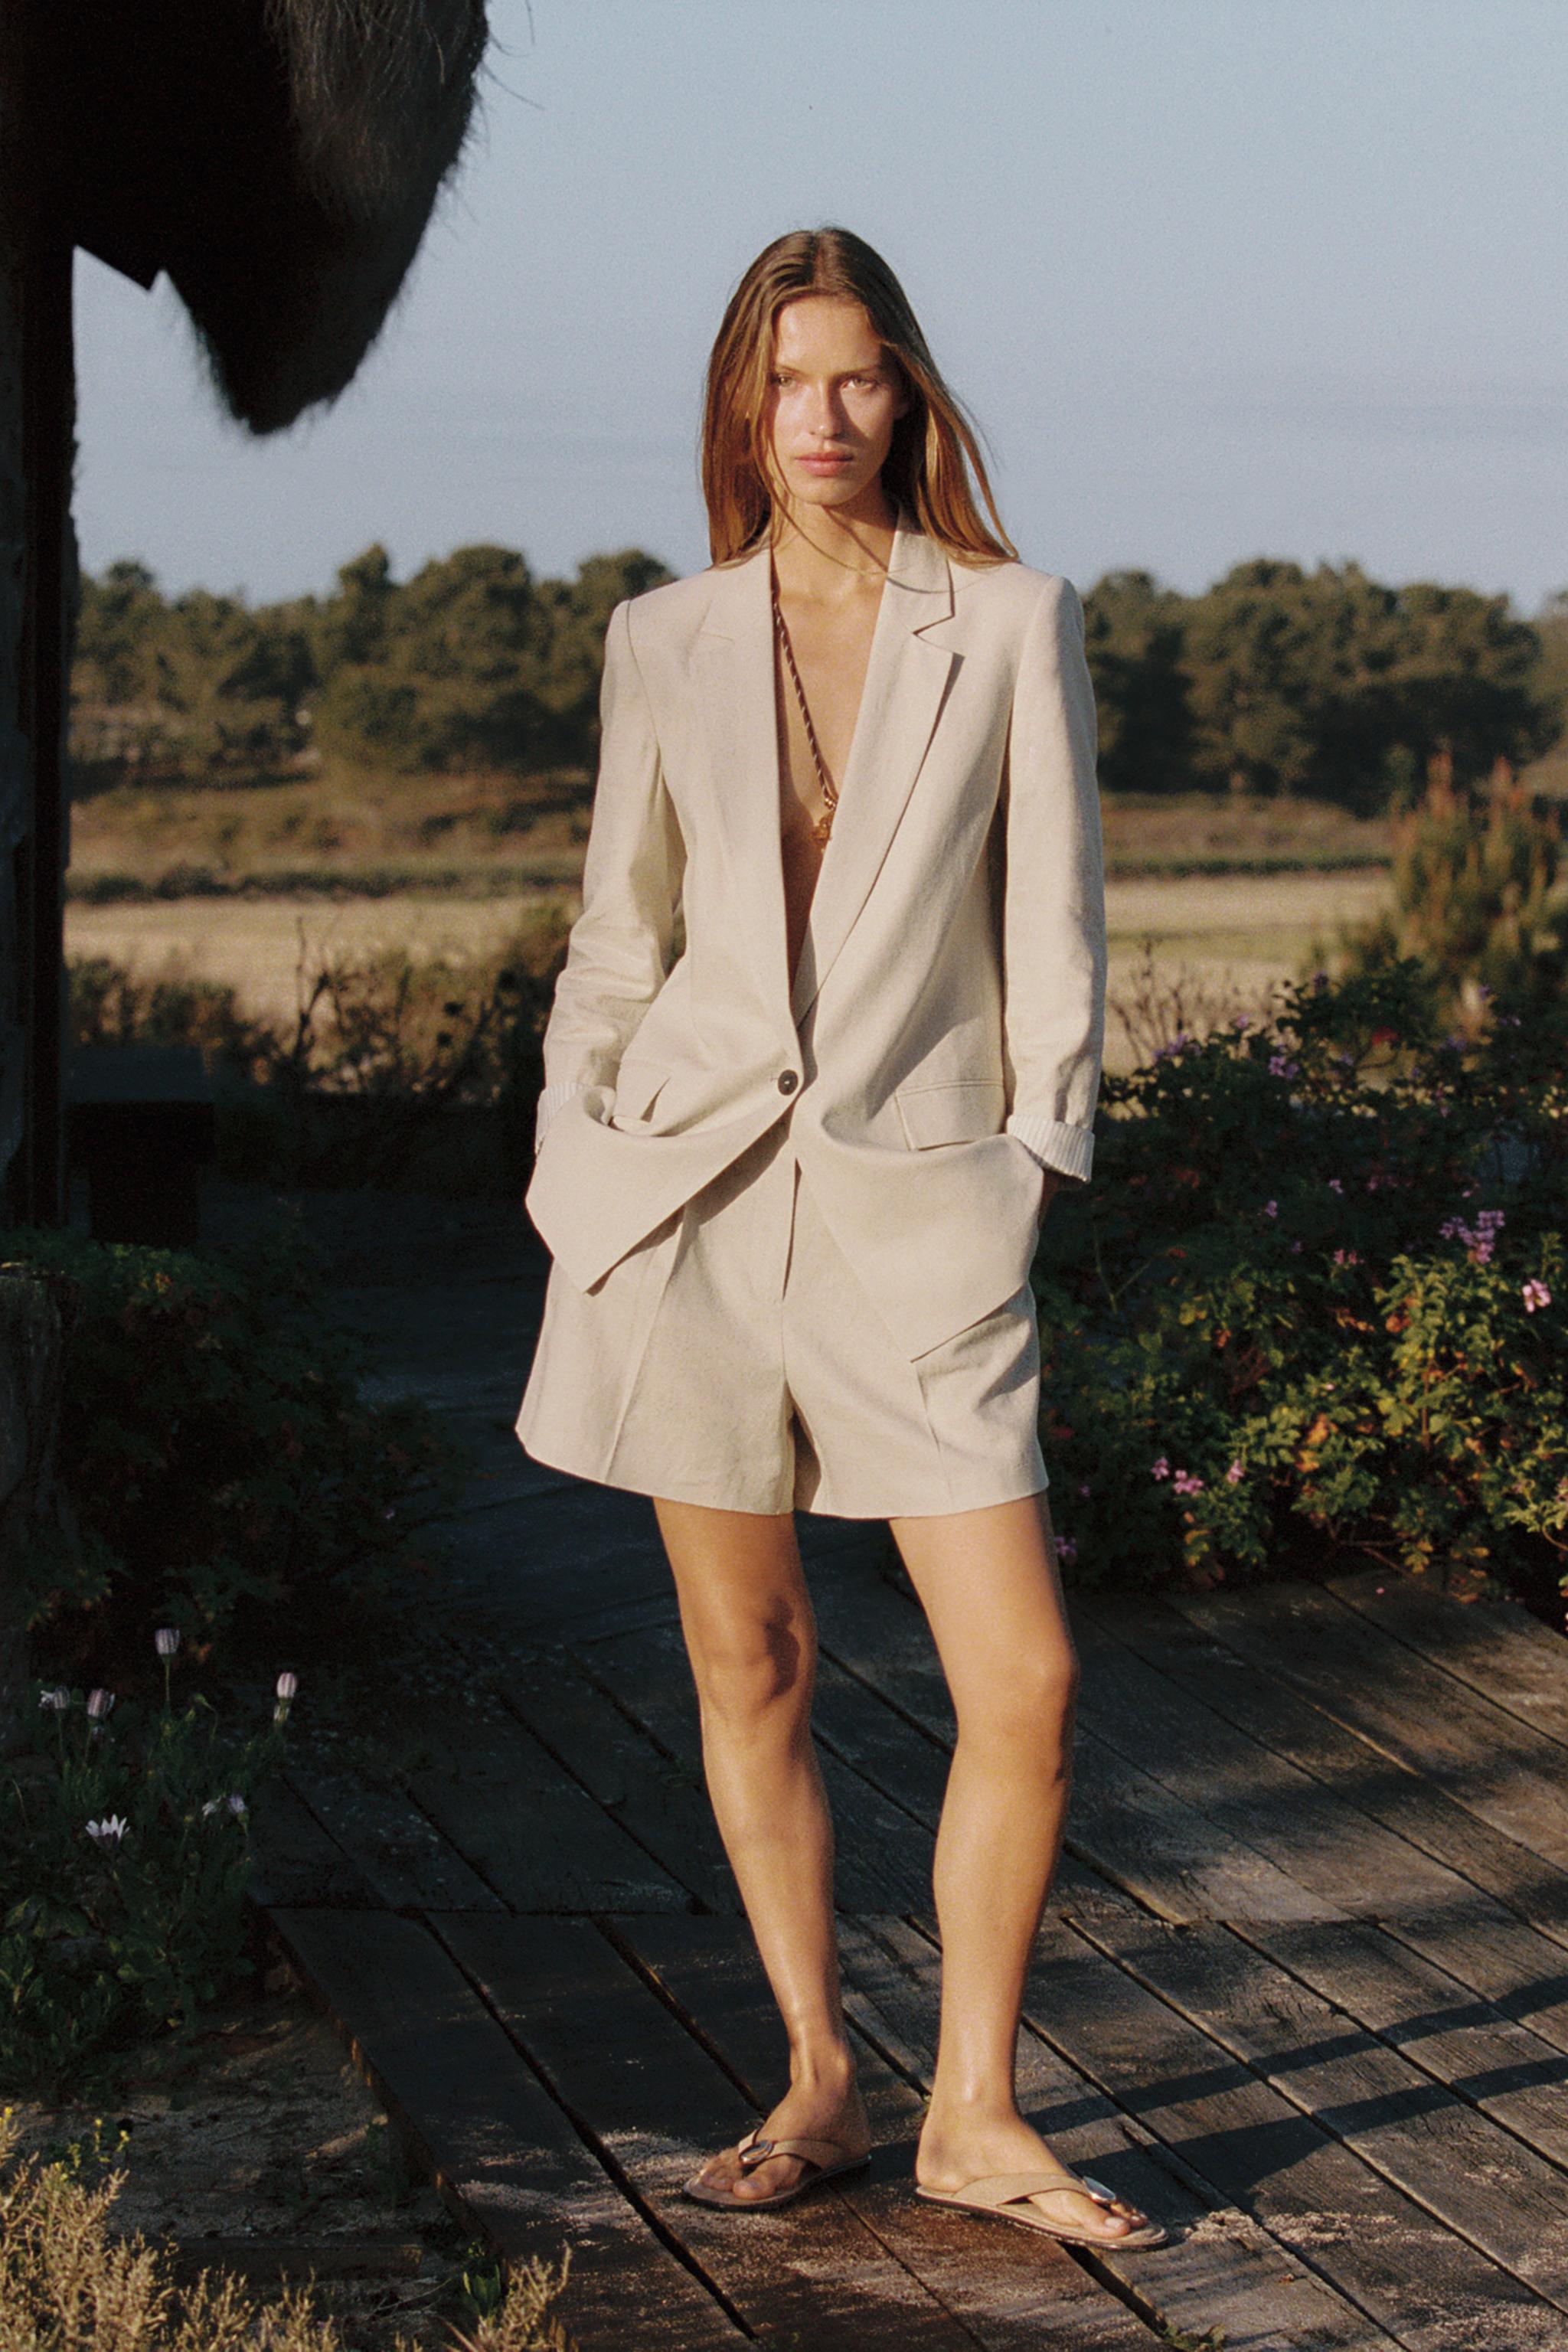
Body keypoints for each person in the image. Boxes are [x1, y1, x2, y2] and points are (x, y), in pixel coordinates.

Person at [517, 227, 1165, 2251]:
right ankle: (820, 2069)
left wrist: (1029, 1166)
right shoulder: (664, 639)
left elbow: (1050, 923)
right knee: (752, 1655)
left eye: (861, 375)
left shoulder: (1012, 618)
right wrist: (575, 1160)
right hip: (679, 1202)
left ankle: (977, 2106)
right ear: (742, 402)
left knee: (1029, 1677)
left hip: (924, 1211)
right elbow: (621, 928)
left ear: (909, 398)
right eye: (788, 379)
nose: (823, 415)